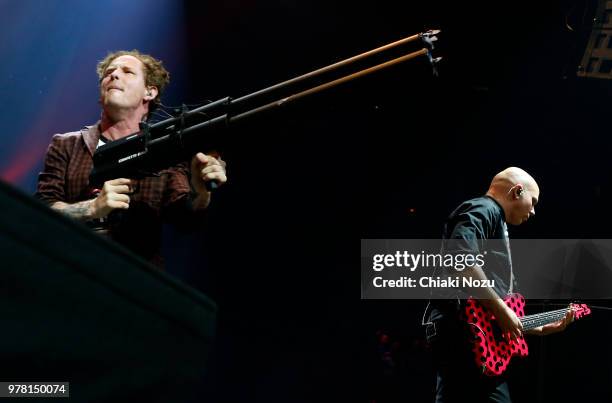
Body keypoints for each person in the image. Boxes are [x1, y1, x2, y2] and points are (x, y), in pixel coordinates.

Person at [36, 50, 227, 268]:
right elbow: (41, 210)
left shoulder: (164, 153)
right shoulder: (67, 144)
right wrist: (92, 208)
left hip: (134, 281)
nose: (114, 75)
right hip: (67, 269)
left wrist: (201, 192)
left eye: (127, 71)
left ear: (150, 92)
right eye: (109, 72)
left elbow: (185, 220)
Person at [423, 167, 574, 403]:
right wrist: (502, 310)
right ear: (517, 191)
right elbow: (459, 260)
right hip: (461, 330)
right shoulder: (484, 209)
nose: (533, 211)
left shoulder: (494, 218)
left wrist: (537, 327)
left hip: (469, 331)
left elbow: (488, 314)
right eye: (532, 202)